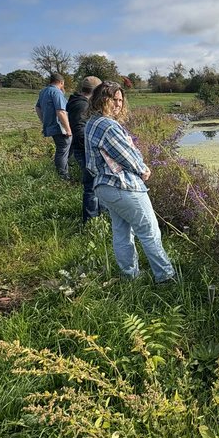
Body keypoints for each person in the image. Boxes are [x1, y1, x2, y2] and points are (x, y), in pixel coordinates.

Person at [84, 81, 176, 283]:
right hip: (122, 185)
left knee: (122, 231)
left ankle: (130, 276)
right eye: (113, 99)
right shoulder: (108, 126)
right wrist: (143, 169)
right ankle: (166, 277)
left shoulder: (92, 123)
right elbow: (126, 155)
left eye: (120, 100)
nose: (117, 104)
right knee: (149, 230)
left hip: (103, 186)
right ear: (101, 100)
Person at [67, 76, 102, 223]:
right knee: (91, 185)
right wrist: (93, 146)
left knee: (95, 183)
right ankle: (90, 221)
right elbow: (79, 130)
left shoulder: (79, 102)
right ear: (95, 91)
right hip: (85, 150)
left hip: (83, 148)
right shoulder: (82, 105)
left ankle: (99, 216)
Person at [35, 72, 72, 179]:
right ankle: (63, 176)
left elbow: (37, 108)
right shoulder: (56, 92)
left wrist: (44, 121)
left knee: (61, 149)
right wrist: (68, 129)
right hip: (60, 127)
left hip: (50, 126)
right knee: (63, 150)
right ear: (61, 82)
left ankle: (62, 170)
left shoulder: (43, 91)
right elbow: (61, 111)